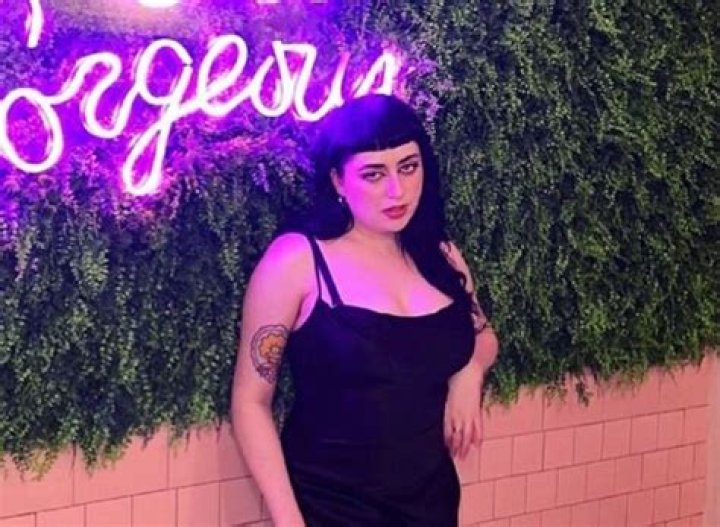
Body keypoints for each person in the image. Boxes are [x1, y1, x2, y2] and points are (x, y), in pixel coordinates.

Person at [231, 93, 499, 526]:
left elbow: (483, 337)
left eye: (408, 167)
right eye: (374, 174)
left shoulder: (441, 256)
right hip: (331, 509)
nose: (397, 190)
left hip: (432, 505)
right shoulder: (297, 262)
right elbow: (250, 401)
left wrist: (469, 373)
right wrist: (289, 521)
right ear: (338, 181)